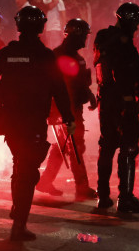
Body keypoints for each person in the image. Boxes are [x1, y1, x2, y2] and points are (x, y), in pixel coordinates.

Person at [0, 6, 74, 241]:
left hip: (11, 119)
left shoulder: (9, 52)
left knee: (20, 164)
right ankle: (19, 223)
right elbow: (59, 89)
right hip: (32, 121)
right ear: (41, 27)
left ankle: (17, 208)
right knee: (28, 169)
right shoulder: (45, 56)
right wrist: (68, 117)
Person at [93, 2, 139, 214]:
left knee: (107, 146)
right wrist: (130, 99)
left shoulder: (102, 37)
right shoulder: (122, 43)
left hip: (105, 99)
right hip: (122, 100)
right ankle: (125, 198)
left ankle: (103, 196)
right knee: (128, 147)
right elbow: (123, 72)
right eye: (135, 24)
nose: (136, 29)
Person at [35, 18, 98, 201]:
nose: (86, 39)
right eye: (84, 35)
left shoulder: (76, 57)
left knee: (65, 146)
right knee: (76, 146)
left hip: (73, 108)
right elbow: (54, 86)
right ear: (76, 36)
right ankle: (82, 187)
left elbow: (80, 83)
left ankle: (45, 181)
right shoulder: (59, 56)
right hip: (64, 110)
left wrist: (90, 95)